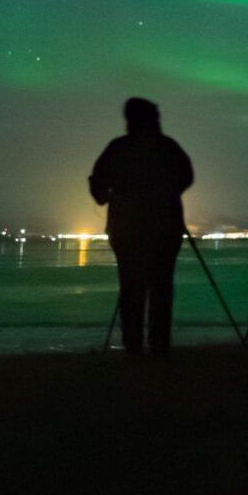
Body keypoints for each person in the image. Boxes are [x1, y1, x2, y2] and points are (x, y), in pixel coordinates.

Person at [89, 97, 194, 358]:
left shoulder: (118, 148)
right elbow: (187, 176)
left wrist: (111, 196)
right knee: (161, 287)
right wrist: (169, 194)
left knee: (131, 287)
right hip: (165, 227)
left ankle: (133, 345)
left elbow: (98, 184)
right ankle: (159, 345)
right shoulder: (167, 146)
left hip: (126, 229)